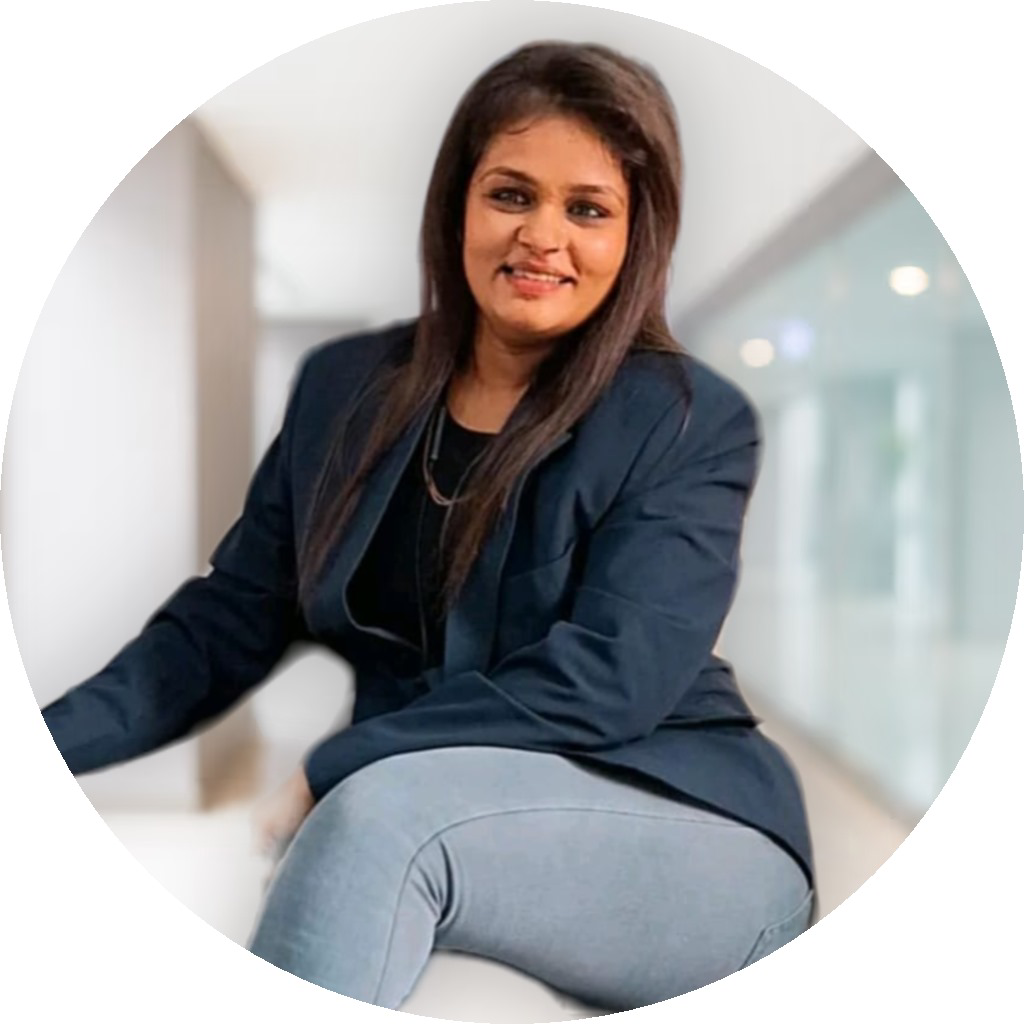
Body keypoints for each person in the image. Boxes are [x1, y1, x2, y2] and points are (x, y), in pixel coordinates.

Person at [41, 41, 815, 1012]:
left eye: (587, 209)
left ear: (637, 236)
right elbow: (223, 623)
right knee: (369, 822)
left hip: (678, 810)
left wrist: (342, 759)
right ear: (456, 204)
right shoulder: (345, 388)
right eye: (510, 195)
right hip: (438, 801)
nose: (542, 236)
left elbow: (609, 681)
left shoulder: (686, 419)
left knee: (374, 816)